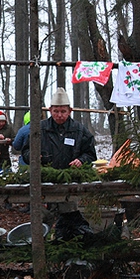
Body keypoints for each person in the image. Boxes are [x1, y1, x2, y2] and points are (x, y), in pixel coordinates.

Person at [22, 87, 98, 238]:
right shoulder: (40, 129)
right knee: (42, 220)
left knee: (70, 219)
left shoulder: (79, 130)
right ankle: (41, 250)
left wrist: (81, 160)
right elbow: (25, 152)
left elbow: (90, 154)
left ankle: (66, 247)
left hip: (69, 184)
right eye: (56, 111)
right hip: (44, 183)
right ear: (50, 110)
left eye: (63, 111)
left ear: (70, 111)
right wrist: (34, 157)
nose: (59, 115)